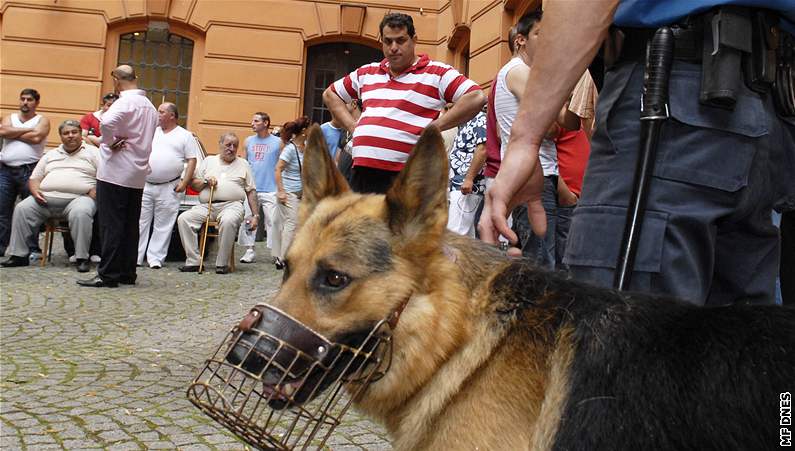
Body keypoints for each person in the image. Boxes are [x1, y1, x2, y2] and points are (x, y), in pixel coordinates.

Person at [481, 0, 795, 306]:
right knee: (741, 346)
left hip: (673, 96)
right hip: (771, 102)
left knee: (619, 342)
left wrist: (524, 141)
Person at [323, 12, 486, 194]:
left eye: (400, 41)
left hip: (407, 176)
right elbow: (331, 94)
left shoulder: (436, 73)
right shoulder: (367, 72)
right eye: (388, 41)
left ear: (414, 40)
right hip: (363, 172)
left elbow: (476, 97)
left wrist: (435, 127)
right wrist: (353, 126)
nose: (393, 47)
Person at [78, 65, 157, 288]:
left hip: (115, 171)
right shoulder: (149, 106)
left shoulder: (124, 102)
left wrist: (109, 141)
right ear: (135, 78)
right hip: (138, 171)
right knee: (130, 225)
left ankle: (108, 274)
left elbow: (106, 122)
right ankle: (126, 272)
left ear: (116, 80)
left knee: (111, 224)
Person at [0, 120, 98, 272]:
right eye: (66, 133)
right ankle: (18, 256)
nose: (70, 136)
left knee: (81, 213)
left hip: (78, 199)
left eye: (74, 132)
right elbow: (34, 178)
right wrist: (35, 191)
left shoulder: (93, 152)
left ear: (80, 134)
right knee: (22, 208)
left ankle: (81, 258)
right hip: (45, 200)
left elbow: (105, 176)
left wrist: (96, 190)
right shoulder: (51, 154)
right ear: (60, 136)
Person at [177, 133, 258, 274]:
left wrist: (255, 215)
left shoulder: (243, 164)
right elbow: (195, 185)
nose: (231, 149)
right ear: (220, 144)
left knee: (229, 220)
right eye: (228, 145)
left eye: (235, 146)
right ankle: (194, 261)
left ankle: (222, 264)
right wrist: (206, 182)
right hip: (207, 205)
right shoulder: (209, 161)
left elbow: (251, 191)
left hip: (232, 205)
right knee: (184, 219)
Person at [136, 102, 198, 269]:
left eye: (162, 111)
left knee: (163, 224)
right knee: (140, 221)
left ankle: (155, 258)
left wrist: (184, 182)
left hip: (169, 185)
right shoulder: (151, 132)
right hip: (146, 184)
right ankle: (136, 256)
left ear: (172, 115)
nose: (158, 114)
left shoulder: (185, 135)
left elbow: (192, 159)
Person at [0, 88, 51, 256]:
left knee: (30, 211)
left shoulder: (42, 120)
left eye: (29, 99)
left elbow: (37, 138)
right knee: (2, 210)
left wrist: (13, 132)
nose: (25, 102)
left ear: (36, 102)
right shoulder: (10, 117)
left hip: (29, 170)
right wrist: (28, 131)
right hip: (5, 170)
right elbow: (2, 132)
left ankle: (32, 248)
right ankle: (1, 247)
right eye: (22, 99)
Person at [238, 112, 283, 264]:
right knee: (249, 219)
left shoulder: (278, 142)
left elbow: (283, 165)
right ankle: (249, 250)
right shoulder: (248, 141)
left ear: (266, 123)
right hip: (252, 188)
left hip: (271, 188)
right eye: (252, 120)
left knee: (273, 221)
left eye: (256, 121)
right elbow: (243, 163)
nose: (252, 123)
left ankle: (276, 253)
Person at [273, 117, 309, 269]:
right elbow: (278, 169)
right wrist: (281, 191)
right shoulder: (289, 149)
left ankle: (286, 255)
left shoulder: (306, 146)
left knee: (295, 224)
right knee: (291, 223)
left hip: (302, 192)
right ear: (303, 131)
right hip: (289, 192)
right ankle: (283, 258)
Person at [447, 109, 487, 237]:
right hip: (460, 183)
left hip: (467, 186)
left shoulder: (479, 118)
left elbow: (483, 149)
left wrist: (469, 179)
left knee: (455, 233)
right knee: (466, 235)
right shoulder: (465, 121)